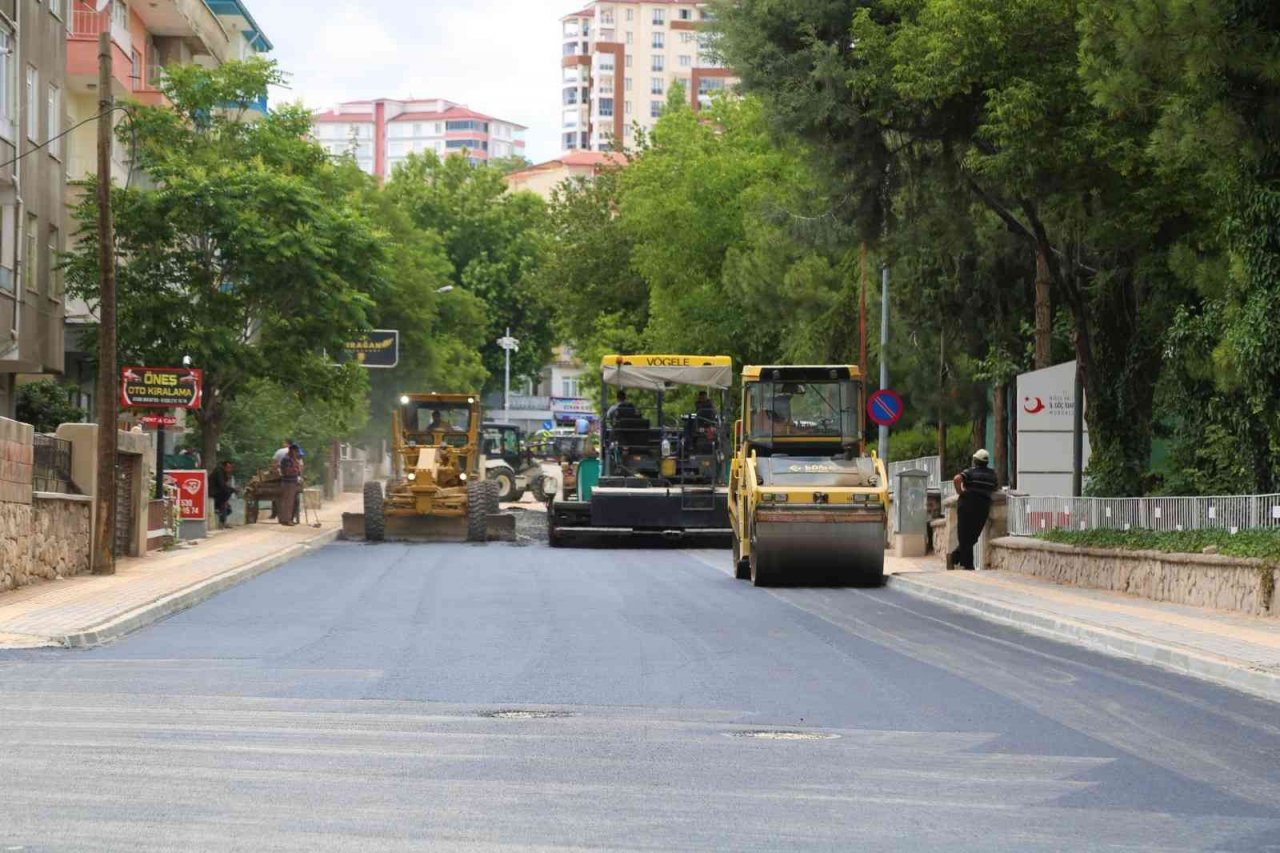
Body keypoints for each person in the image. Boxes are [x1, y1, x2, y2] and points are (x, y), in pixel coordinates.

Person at [950, 449, 1000, 570]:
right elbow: (995, 488)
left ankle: (955, 558)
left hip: (966, 504)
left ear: (975, 461)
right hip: (982, 506)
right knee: (973, 536)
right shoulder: (992, 474)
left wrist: (960, 492)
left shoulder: (970, 472)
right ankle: (966, 564)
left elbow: (957, 479)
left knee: (964, 535)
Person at [277, 444, 303, 527]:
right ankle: (286, 520)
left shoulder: (292, 459)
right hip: (288, 482)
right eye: (296, 451)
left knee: (290, 502)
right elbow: (287, 471)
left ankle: (286, 519)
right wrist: (297, 469)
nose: (297, 453)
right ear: (292, 451)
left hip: (292, 481)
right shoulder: (287, 459)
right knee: (288, 502)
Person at [210, 460, 237, 529]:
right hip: (214, 493)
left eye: (230, 467)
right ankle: (222, 523)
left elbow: (224, 485)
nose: (229, 469)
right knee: (224, 505)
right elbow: (222, 485)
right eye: (228, 467)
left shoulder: (224, 473)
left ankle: (222, 522)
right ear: (224, 466)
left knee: (227, 509)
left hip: (219, 493)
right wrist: (233, 489)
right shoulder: (219, 471)